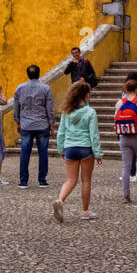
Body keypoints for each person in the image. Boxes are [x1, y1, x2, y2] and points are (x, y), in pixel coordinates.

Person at [53, 80, 102, 223]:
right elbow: (94, 135)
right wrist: (98, 153)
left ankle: (60, 200)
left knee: (70, 180)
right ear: (85, 95)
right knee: (86, 180)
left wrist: (61, 149)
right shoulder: (90, 112)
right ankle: (85, 211)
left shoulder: (67, 111)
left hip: (70, 147)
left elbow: (61, 132)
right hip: (85, 148)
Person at [13, 64, 55, 189]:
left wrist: (17, 121)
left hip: (26, 124)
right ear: (39, 73)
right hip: (42, 124)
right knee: (43, 153)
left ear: (28, 74)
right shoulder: (46, 88)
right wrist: (51, 123)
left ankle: (23, 181)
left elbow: (16, 107)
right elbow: (50, 108)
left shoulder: (20, 88)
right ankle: (42, 180)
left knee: (25, 152)